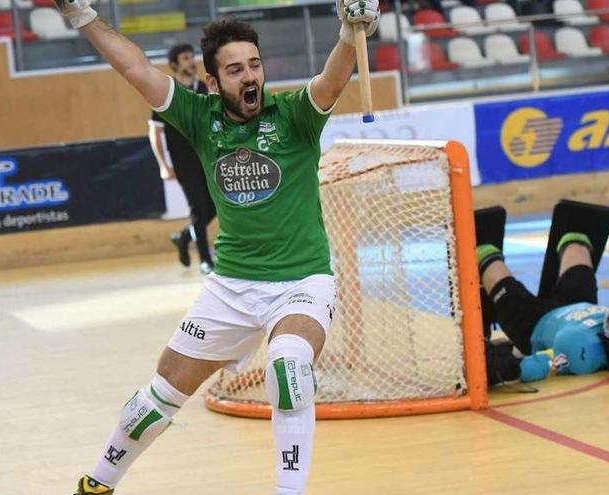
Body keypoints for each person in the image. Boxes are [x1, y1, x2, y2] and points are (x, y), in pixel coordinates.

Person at [50, 0, 380, 493]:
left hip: (301, 281)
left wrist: (350, 30)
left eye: (255, 64)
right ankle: (96, 483)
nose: (250, 76)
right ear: (213, 81)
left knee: (289, 371)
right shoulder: (200, 118)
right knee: (155, 399)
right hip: (230, 286)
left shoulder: (293, 115)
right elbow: (134, 67)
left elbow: (332, 79)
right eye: (234, 69)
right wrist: (82, 16)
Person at [478, 225, 609, 385]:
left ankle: (482, 254)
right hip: (577, 302)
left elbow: (543, 365)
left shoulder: (581, 350)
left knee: (496, 273)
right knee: (577, 243)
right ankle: (571, 237)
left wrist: (505, 368)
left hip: (534, 323)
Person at [147, 43, 216, 274]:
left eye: (191, 56)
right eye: (186, 58)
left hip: (205, 156)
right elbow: (154, 132)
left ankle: (185, 236)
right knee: (198, 206)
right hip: (183, 160)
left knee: (214, 205)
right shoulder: (167, 92)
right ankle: (206, 259)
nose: (191, 61)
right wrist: (163, 165)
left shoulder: (203, 88)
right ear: (175, 64)